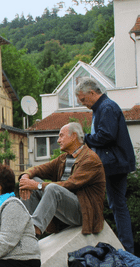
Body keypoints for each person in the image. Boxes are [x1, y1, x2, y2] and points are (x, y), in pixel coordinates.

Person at [75, 77, 136, 255]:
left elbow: (106, 136)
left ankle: (126, 250)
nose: (82, 103)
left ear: (92, 93)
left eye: (83, 99)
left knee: (117, 205)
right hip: (114, 163)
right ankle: (125, 249)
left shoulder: (106, 107)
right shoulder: (102, 107)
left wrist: (84, 139)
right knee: (116, 205)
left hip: (114, 164)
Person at [19, 122, 106, 236]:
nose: (58, 140)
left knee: (52, 188)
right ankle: (26, 227)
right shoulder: (64, 158)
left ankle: (34, 230)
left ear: (73, 136)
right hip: (66, 210)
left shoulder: (90, 159)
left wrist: (37, 185)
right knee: (32, 180)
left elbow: (70, 184)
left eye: (61, 136)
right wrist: (25, 177)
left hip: (85, 213)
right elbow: (39, 168)